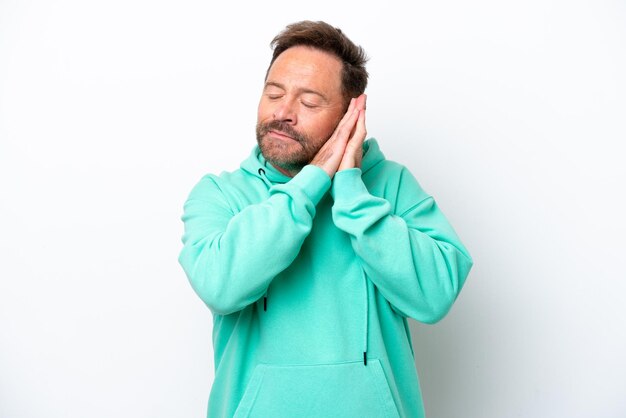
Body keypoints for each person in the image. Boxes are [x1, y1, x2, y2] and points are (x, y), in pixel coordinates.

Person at [178, 20, 473, 418]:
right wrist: (311, 183)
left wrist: (350, 190)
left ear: (351, 114)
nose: (283, 113)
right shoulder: (220, 194)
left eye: (309, 102)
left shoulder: (392, 185)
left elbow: (435, 296)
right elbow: (221, 285)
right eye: (273, 94)